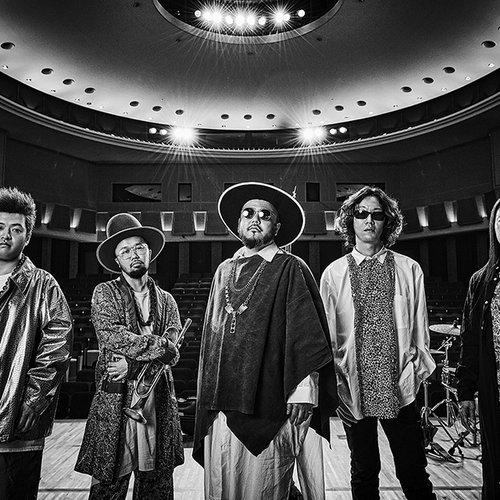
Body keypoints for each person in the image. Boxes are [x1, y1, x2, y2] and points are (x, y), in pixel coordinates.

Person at [193, 182, 337, 500]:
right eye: (248, 213)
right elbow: (211, 344)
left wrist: (303, 391)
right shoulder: (223, 271)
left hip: (271, 403)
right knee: (221, 485)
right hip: (222, 405)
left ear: (277, 227)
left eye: (265, 214)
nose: (255, 218)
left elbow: (306, 334)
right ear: (238, 223)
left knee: (262, 487)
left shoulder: (290, 267)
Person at [320, 186, 436, 500]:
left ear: (387, 222)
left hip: (400, 387)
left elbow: (420, 331)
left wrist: (412, 374)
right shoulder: (333, 274)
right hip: (352, 387)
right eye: (361, 214)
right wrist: (337, 383)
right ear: (351, 220)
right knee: (364, 471)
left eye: (377, 214)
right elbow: (328, 337)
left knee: (413, 470)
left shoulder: (409, 269)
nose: (369, 220)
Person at [75, 213, 184, 499]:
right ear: (116, 260)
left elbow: (173, 355)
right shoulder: (104, 293)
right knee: (108, 489)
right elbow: (113, 336)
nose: (133, 254)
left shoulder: (168, 300)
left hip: (157, 403)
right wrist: (161, 346)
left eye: (139, 247)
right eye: (125, 251)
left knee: (157, 489)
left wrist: (133, 364)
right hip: (116, 403)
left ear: (149, 252)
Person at [0, 186, 73, 499]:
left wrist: (34, 397)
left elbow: (58, 344)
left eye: (16, 229)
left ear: (27, 236)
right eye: (0, 226)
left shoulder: (44, 285)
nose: (6, 235)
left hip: (18, 420)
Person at [457, 197, 500, 500]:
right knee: (496, 467)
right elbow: (469, 339)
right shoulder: (481, 280)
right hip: (493, 391)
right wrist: (465, 391)